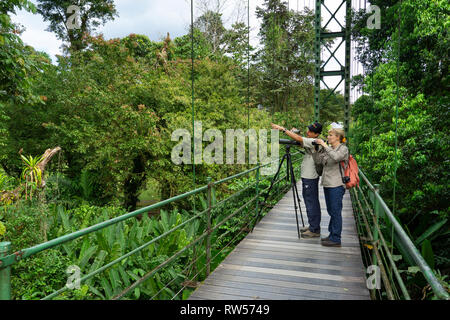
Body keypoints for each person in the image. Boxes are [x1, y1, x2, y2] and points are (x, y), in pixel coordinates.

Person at [270, 121, 323, 238]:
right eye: (308, 130)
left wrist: (282, 129)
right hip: (309, 176)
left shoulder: (314, 142)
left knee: (311, 202)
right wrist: (293, 133)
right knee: (311, 201)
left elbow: (299, 138)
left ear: (316, 134)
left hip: (310, 177)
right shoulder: (311, 141)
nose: (308, 132)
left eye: (311, 131)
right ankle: (313, 226)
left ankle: (314, 230)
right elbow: (299, 140)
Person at [313, 128, 349, 247]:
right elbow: (319, 162)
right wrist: (317, 150)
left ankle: (336, 238)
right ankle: (332, 234)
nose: (328, 137)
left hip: (337, 184)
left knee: (335, 211)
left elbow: (336, 158)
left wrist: (325, 145)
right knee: (330, 210)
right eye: (328, 135)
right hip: (327, 183)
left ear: (338, 137)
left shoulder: (343, 149)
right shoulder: (329, 149)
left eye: (331, 135)